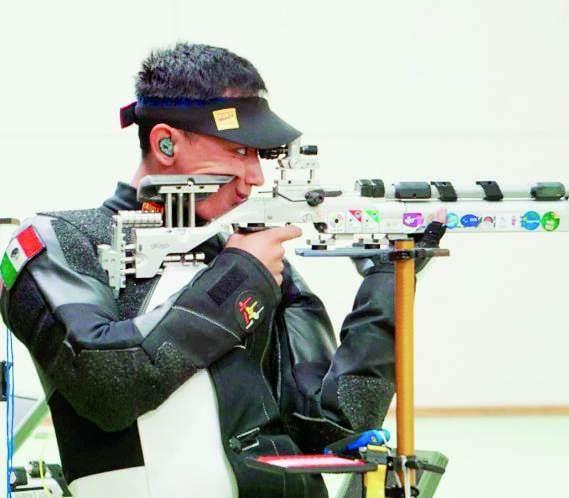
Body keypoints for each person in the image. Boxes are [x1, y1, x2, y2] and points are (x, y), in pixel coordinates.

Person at [0, 43, 444, 497]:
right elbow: (109, 387)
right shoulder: (64, 241)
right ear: (165, 143)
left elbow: (331, 424)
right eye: (238, 151)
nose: (256, 178)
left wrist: (389, 282)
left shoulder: (247, 257)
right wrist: (242, 278)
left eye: (260, 157)